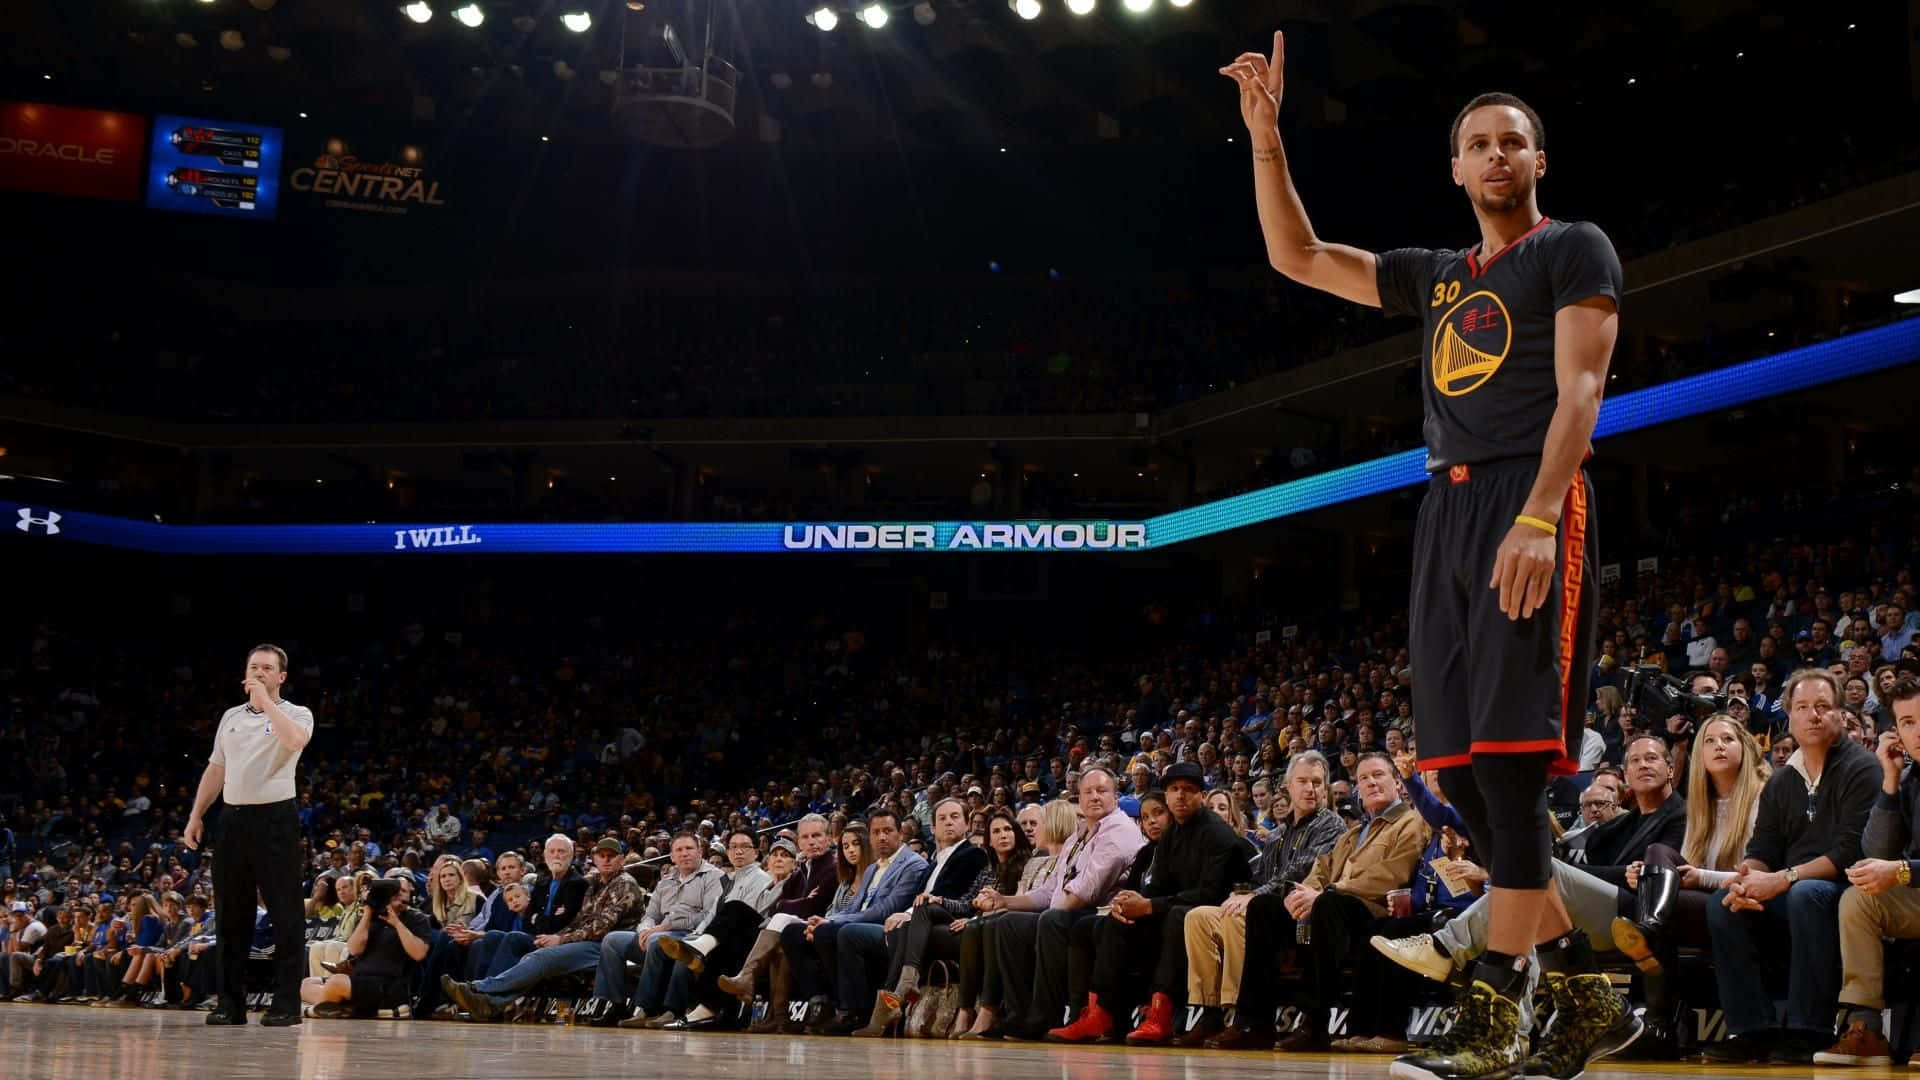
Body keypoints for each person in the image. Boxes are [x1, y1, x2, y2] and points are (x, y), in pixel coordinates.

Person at [1221, 29, 1629, 1080]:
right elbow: (1299, 257)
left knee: (1511, 760)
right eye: (1479, 144)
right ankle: (1584, 986)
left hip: (1526, 496)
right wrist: (1267, 140)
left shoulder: (1574, 246)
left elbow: (1582, 392)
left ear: (1541, 162)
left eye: (1515, 143)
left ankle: (1496, 1013)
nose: (1497, 156)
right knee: (1453, 771)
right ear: (1454, 168)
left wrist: (1539, 515)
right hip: (1442, 509)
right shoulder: (1439, 276)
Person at [1701, 668, 1883, 1065]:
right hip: (1790, 888)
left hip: (1844, 889)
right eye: (1802, 707)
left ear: (1841, 715)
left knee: (1807, 894)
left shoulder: (1863, 768)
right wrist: (1746, 879)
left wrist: (1783, 878)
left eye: (1823, 707)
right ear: (1789, 716)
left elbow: (1850, 853)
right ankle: (1751, 1030)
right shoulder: (1782, 782)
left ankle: (1808, 1028)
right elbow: (1761, 847)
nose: (1813, 715)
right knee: (1721, 903)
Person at [1046, 762, 1244, 1045]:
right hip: (1174, 913)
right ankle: (1098, 1014)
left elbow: (1210, 894)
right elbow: (1157, 887)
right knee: (1115, 920)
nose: (1180, 796)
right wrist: (1128, 903)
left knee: (1179, 915)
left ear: (1202, 795)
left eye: (1188, 790)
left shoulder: (1218, 834)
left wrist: (1150, 906)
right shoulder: (1171, 834)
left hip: (1214, 919)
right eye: (1174, 790)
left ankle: (1160, 1015)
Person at [183, 644, 315, 1028]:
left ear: (281, 676)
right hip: (233, 819)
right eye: (252, 667)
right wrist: (196, 815)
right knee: (231, 914)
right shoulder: (230, 717)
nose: (257, 672)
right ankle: (230, 1003)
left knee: (286, 913)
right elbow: (216, 767)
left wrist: (265, 701)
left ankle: (285, 1003)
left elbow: (293, 741)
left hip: (276, 820)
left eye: (266, 668)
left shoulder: (296, 713)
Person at [1184, 750, 1344, 1047]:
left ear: (1325, 788)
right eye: (1304, 781)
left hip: (1295, 909)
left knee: (1250, 909)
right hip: (1265, 903)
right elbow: (1259, 877)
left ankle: (1241, 1016)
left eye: (1318, 782)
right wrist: (1242, 893)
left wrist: (1252, 896)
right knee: (1198, 917)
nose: (1311, 788)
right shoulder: (1278, 833)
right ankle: (1209, 1013)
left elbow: (1301, 872)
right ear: (1288, 786)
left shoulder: (1331, 824)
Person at [1815, 674, 1920, 1068]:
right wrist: (1890, 782)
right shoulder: (1909, 779)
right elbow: (1875, 851)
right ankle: (1866, 1029)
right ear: (1897, 731)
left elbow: (1898, 867)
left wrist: (1903, 871)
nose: (1918, 730)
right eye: (1908, 722)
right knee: (1858, 899)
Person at [300, 876, 431, 1018]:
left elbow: (418, 954)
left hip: (389, 986)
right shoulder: (372, 917)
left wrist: (397, 924)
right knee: (306, 984)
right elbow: (355, 949)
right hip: (360, 981)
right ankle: (342, 1007)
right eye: (393, 892)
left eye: (402, 891)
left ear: (410, 895)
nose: (397, 895)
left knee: (336, 982)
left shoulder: (417, 918)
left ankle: (313, 1010)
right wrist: (368, 911)